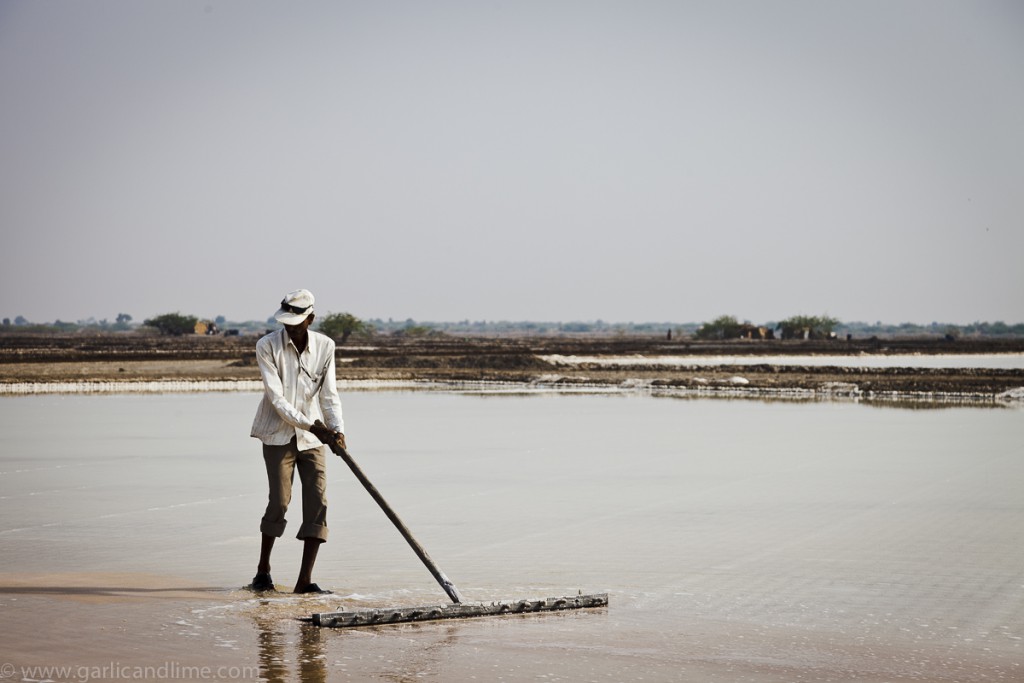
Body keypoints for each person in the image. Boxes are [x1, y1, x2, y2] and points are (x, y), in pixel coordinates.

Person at [249, 289, 345, 594]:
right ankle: (263, 570)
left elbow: (329, 395)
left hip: (313, 436)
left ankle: (304, 580)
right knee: (279, 502)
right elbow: (277, 400)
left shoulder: (325, 346)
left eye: (297, 322)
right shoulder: (267, 346)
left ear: (310, 319)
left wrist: (337, 430)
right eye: (286, 322)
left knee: (318, 504)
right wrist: (315, 426)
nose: (290, 327)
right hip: (278, 433)